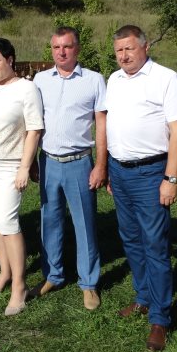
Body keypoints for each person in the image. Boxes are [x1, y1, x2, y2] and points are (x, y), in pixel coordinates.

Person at [102, 25, 177, 352]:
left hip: (152, 172)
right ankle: (143, 298)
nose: (124, 56)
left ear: (145, 46)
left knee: (155, 244)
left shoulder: (165, 78)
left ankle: (160, 317)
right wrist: (111, 170)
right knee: (130, 238)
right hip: (120, 172)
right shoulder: (113, 80)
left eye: (129, 49)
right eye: (119, 51)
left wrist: (170, 178)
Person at [31, 26, 107, 312]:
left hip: (79, 162)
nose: (61, 52)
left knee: (84, 225)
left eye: (67, 46)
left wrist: (101, 164)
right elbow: (34, 121)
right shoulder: (40, 80)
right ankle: (53, 275)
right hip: (48, 161)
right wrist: (31, 161)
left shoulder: (94, 80)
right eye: (56, 47)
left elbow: (101, 123)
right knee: (49, 221)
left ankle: (88, 283)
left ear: (77, 48)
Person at [0, 38, 43, 316]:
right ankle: (4, 272)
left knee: (9, 223)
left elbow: (34, 129)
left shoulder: (27, 89)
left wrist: (25, 167)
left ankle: (19, 285)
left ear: (10, 60)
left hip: (9, 167)